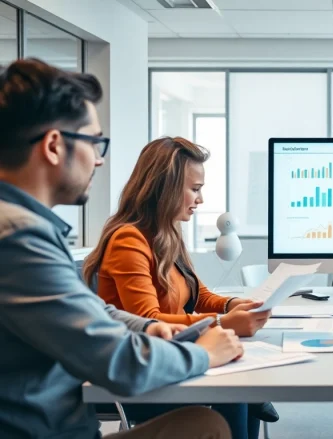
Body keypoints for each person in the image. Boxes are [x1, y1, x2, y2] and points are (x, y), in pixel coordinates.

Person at [0, 58, 241, 438]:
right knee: (207, 426)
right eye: (94, 142)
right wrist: (206, 352)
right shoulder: (17, 238)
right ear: (53, 146)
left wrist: (148, 326)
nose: (99, 158)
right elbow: (118, 361)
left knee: (209, 420)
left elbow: (93, 311)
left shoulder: (29, 228)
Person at [82, 137, 277, 439]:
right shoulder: (128, 239)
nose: (200, 200)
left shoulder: (167, 233)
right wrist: (223, 323)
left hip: (174, 355)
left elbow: (198, 293)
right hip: (144, 371)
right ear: (165, 188)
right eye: (195, 189)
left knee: (240, 380)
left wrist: (230, 306)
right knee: (235, 388)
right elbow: (147, 317)